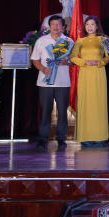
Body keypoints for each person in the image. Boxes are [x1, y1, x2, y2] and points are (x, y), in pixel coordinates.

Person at [31, 15, 73, 150]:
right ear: (49, 26)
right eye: (53, 24)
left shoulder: (68, 41)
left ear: (63, 26)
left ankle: (61, 139)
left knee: (62, 112)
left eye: (58, 24)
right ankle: (43, 139)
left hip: (62, 82)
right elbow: (35, 59)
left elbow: (74, 60)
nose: (56, 27)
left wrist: (66, 62)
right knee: (45, 111)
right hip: (45, 82)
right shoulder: (41, 41)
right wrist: (43, 69)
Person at [70, 16, 109, 146]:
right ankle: (85, 137)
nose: (90, 27)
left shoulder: (103, 39)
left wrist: (100, 62)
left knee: (98, 103)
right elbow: (72, 57)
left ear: (97, 26)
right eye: (87, 24)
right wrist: (84, 62)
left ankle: (99, 137)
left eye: (92, 24)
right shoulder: (80, 41)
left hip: (98, 73)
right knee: (86, 104)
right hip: (85, 74)